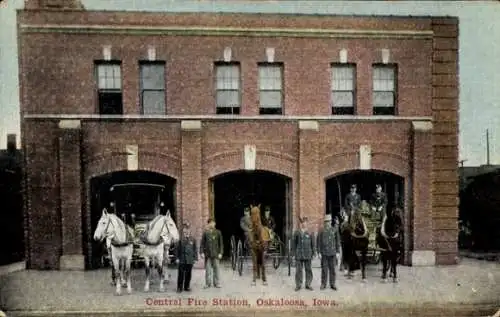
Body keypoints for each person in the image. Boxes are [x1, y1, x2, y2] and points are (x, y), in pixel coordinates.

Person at [317, 214, 341, 290]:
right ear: (324, 222)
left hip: (332, 253)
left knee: (332, 269)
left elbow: (337, 241)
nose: (328, 223)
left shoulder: (334, 230)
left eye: (329, 221)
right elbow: (318, 242)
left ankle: (332, 284)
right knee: (324, 269)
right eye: (326, 221)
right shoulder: (321, 231)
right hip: (324, 253)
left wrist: (337, 252)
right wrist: (319, 252)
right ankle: (323, 284)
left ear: (331, 222)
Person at [292, 216, 315, 291]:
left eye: (305, 222)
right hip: (299, 254)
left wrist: (314, 253)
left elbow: (313, 244)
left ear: (307, 223)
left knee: (308, 270)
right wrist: (293, 253)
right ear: (300, 224)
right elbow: (294, 244)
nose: (303, 224)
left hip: (308, 254)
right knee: (298, 270)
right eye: (302, 223)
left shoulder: (310, 232)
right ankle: (298, 285)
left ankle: (308, 284)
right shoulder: (297, 232)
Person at [200, 218, 223, 288]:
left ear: (215, 224)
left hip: (216, 254)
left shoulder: (218, 232)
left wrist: (220, 253)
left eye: (213, 223)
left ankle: (217, 283)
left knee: (216, 269)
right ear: (208, 224)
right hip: (208, 255)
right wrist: (201, 252)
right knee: (208, 270)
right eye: (210, 223)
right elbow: (202, 244)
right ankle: (207, 283)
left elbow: (221, 244)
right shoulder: (205, 233)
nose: (212, 224)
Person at [176, 222, 198, 293]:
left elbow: (195, 249)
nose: (186, 232)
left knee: (188, 274)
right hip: (182, 259)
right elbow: (177, 250)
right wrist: (177, 258)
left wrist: (195, 258)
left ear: (190, 231)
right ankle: (179, 287)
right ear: (183, 231)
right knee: (181, 274)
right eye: (185, 230)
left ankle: (186, 286)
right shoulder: (180, 239)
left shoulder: (193, 239)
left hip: (189, 260)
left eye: (188, 230)